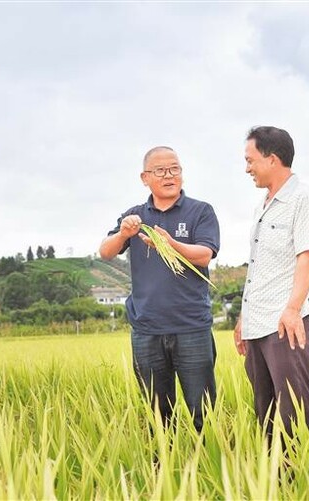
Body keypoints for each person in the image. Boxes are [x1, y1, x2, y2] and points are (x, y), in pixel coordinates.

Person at [99, 146, 220, 433]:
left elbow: (204, 254)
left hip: (191, 328)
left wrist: (170, 244)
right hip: (147, 330)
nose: (169, 176)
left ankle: (205, 467)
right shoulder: (135, 216)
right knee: (158, 414)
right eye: (161, 171)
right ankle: (163, 470)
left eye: (175, 169)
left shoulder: (200, 211)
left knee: (201, 411)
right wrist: (124, 234)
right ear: (145, 178)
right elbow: (105, 252)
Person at [233, 126, 309, 443]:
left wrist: (292, 308)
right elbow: (259, 267)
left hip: (284, 324)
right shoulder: (263, 205)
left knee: (296, 410)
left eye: (250, 160)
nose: (247, 168)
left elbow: (306, 258)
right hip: (257, 325)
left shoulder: (303, 199)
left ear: (272, 159)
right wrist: (244, 318)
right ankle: (277, 481)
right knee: (266, 412)